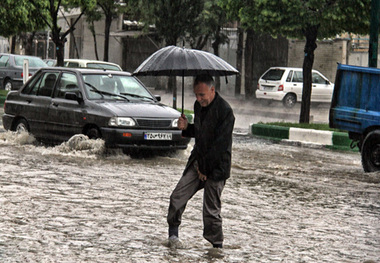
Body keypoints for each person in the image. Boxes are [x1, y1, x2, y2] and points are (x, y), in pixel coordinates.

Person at [167, 74, 235, 249]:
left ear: (212, 90)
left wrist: (205, 169)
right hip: (198, 162)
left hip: (217, 168)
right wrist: (186, 128)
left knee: (211, 212)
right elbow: (200, 132)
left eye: (202, 95)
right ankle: (173, 237)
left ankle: (216, 249)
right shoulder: (199, 106)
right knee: (177, 197)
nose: (198, 99)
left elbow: (220, 146)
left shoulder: (225, 111)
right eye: (196, 95)